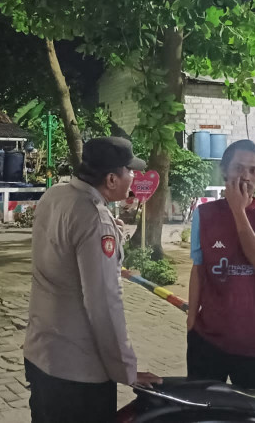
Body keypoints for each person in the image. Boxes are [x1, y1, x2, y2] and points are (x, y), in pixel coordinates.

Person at [23, 137, 162, 423]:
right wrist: (126, 370)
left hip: (40, 354)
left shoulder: (55, 195)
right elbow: (104, 304)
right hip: (78, 374)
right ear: (111, 179)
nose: (133, 176)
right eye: (129, 170)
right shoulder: (95, 218)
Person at [186, 139, 255, 389]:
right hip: (207, 339)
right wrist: (191, 322)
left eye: (253, 170)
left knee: (253, 408)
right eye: (238, 168)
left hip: (253, 342)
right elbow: (198, 267)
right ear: (224, 170)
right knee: (204, 407)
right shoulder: (204, 214)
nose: (246, 176)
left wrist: (238, 211)